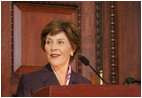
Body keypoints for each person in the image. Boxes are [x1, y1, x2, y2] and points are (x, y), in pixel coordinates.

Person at [16, 20, 91, 97]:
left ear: (72, 48)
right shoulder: (30, 81)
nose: (53, 48)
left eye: (60, 42)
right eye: (49, 42)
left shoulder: (85, 84)